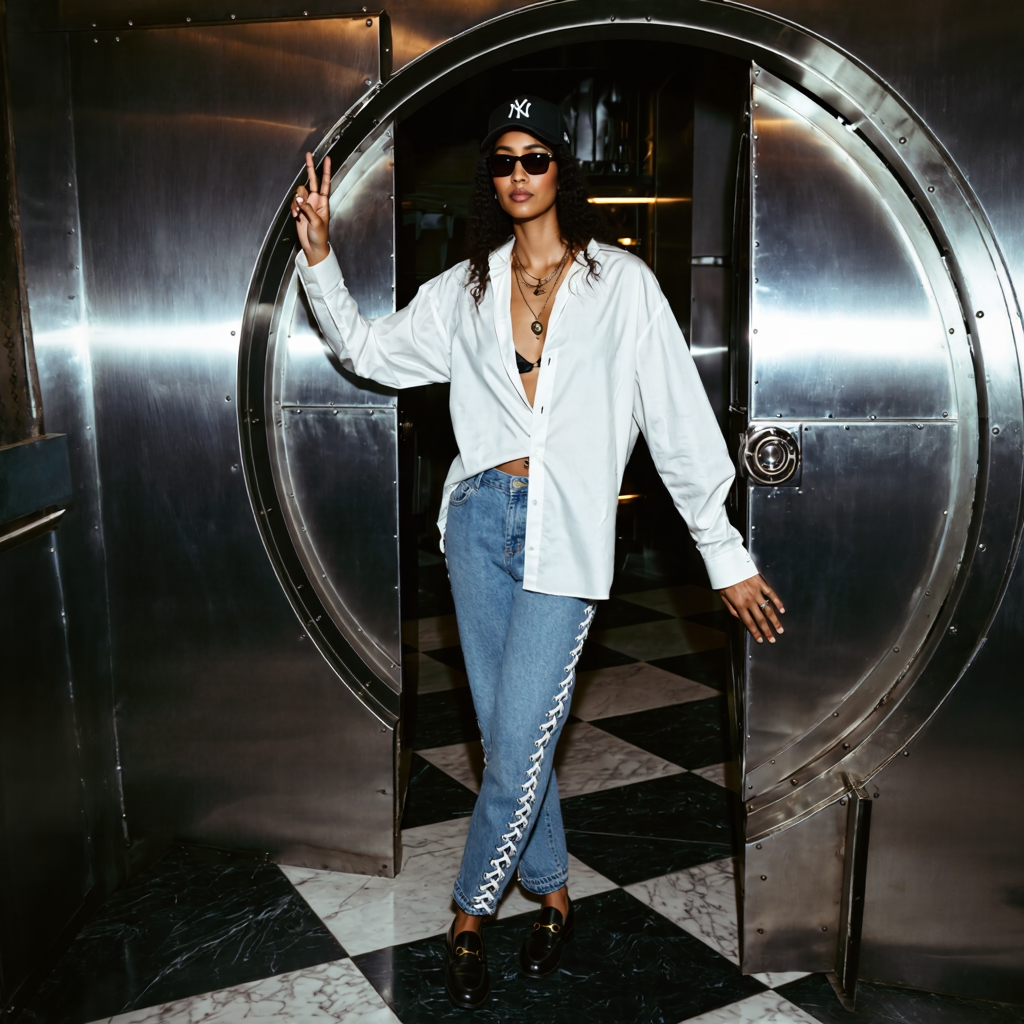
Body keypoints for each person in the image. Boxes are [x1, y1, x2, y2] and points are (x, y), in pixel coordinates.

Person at [291, 95, 784, 1010]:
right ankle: (553, 891)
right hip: (478, 524)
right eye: (505, 160)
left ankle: (471, 910)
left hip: (565, 534)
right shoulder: (466, 288)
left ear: (565, 171)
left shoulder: (621, 285)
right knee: (509, 736)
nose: (519, 175)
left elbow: (676, 420)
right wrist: (322, 259)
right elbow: (365, 352)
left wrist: (725, 554)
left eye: (538, 158)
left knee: (520, 733)